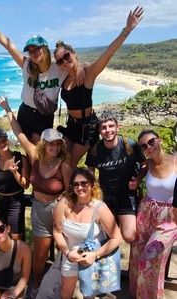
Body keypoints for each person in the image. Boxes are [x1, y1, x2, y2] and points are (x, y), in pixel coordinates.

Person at [0, 95, 71, 298]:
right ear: (44, 144)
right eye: (51, 144)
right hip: (38, 209)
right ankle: (36, 285)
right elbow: (18, 132)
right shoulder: (35, 155)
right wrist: (8, 109)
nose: (55, 147)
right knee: (40, 254)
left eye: (58, 144)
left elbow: (69, 190)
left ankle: (62, 287)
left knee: (65, 252)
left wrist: (62, 209)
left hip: (58, 210)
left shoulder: (63, 164)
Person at [0, 8, 84, 144]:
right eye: (30, 50)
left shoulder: (58, 68)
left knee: (39, 152)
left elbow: (76, 63)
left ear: (44, 48)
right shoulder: (26, 65)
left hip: (44, 116)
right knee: (28, 150)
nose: (33, 53)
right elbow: (6, 43)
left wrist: (79, 67)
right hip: (25, 113)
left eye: (36, 48)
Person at [54, 6, 144, 168]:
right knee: (59, 160)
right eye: (60, 61)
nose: (64, 63)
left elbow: (108, 53)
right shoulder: (64, 76)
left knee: (68, 164)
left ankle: (72, 192)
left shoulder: (88, 73)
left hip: (86, 128)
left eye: (66, 57)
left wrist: (127, 30)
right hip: (71, 126)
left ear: (74, 53)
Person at [53, 168, 122, 299]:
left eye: (84, 183)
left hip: (92, 259)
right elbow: (57, 232)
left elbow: (117, 238)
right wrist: (67, 253)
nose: (80, 187)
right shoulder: (64, 204)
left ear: (92, 185)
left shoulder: (100, 208)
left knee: (88, 295)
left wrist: (95, 255)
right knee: (65, 293)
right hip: (70, 256)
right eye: (76, 184)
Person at [129, 129, 177, 299]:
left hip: (169, 218)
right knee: (137, 253)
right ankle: (137, 294)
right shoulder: (146, 165)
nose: (149, 147)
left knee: (150, 258)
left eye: (151, 142)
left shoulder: (176, 161)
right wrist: (135, 182)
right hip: (146, 212)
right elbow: (138, 179)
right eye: (144, 146)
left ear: (160, 140)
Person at [85, 112, 146, 243]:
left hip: (126, 195)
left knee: (130, 236)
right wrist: (93, 190)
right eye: (104, 127)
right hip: (105, 196)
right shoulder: (95, 150)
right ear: (99, 131)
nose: (108, 130)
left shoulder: (129, 145)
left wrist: (138, 180)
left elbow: (144, 165)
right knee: (105, 237)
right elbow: (90, 171)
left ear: (118, 127)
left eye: (111, 126)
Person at [0, 128, 29, 240]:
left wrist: (15, 173)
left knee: (15, 236)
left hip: (16, 202)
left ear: (7, 140)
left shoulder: (20, 158)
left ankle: (18, 257)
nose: (2, 143)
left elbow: (25, 185)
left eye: (3, 140)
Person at [0, 217, 32, 299]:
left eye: (0, 229)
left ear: (8, 228)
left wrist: (14, 295)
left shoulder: (23, 248)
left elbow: (24, 278)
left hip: (15, 286)